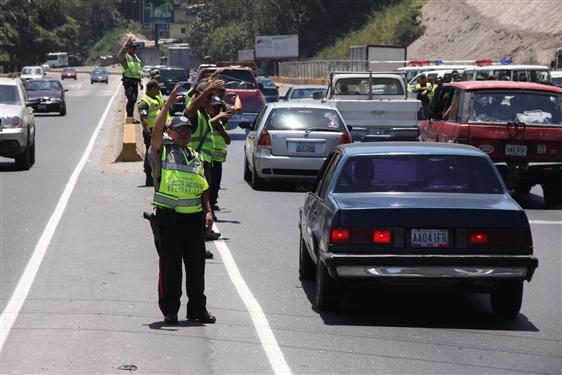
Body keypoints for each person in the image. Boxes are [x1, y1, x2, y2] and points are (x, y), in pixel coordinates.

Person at [148, 85, 216, 325]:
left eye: (187, 130)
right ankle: (170, 310)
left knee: (197, 267)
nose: (184, 133)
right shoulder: (161, 151)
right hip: (169, 219)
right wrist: (166, 106)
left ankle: (197, 309)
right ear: (170, 132)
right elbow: (155, 133)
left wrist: (208, 211)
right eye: (179, 130)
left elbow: (203, 186)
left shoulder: (195, 156)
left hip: (193, 220)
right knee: (171, 268)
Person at [184, 80, 224, 245]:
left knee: (202, 202)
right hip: (196, 165)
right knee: (198, 204)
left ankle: (202, 234)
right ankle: (198, 239)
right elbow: (189, 109)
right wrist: (206, 90)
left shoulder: (204, 115)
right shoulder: (195, 115)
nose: (210, 104)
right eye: (208, 100)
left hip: (204, 164)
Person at [137, 79, 169, 186]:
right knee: (150, 152)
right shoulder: (144, 102)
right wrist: (148, 133)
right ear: (152, 89)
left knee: (161, 152)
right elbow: (143, 119)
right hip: (150, 131)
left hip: (160, 130)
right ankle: (149, 176)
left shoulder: (157, 98)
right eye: (157, 88)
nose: (159, 90)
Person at [207, 96, 232, 213]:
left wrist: (221, 129)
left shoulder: (221, 121)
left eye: (219, 107)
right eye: (214, 106)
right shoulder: (205, 119)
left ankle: (211, 209)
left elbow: (228, 140)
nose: (217, 109)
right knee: (207, 186)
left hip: (217, 160)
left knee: (215, 187)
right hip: (206, 159)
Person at [118, 36, 143, 121]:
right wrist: (125, 45)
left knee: (134, 100)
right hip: (128, 82)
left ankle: (131, 117)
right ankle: (129, 118)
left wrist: (140, 82)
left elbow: (138, 71)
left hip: (135, 82)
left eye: (135, 47)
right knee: (131, 99)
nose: (134, 49)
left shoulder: (136, 58)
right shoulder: (126, 57)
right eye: (132, 47)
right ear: (128, 48)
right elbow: (120, 55)